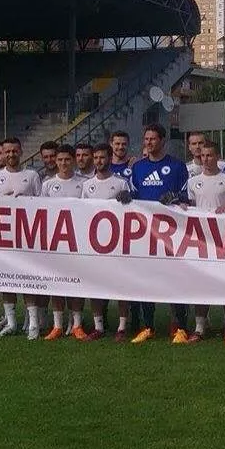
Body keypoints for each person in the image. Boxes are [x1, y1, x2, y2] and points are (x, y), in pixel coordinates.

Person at [125, 124, 190, 345]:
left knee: (175, 279)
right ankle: (148, 326)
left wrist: (175, 197)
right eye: (146, 139)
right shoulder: (138, 168)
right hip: (145, 233)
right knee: (146, 279)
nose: (149, 143)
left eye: (153, 139)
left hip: (172, 233)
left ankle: (180, 327)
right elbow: (133, 195)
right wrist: (125, 198)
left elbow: (186, 196)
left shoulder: (177, 166)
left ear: (163, 140)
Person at [182, 141, 225, 344]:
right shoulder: (193, 182)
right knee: (201, 284)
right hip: (201, 241)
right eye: (202, 156)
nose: (205, 159)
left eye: (209, 155)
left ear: (217, 157)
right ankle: (199, 328)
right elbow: (189, 208)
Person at [0, 137, 42, 338]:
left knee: (27, 278)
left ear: (21, 152)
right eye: (7, 151)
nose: (11, 155)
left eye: (14, 151)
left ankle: (33, 323)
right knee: (6, 279)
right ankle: (11, 322)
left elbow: (42, 205)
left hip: (27, 237)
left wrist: (26, 202)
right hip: (4, 237)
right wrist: (2, 201)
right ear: (2, 153)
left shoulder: (32, 175)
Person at [80, 143, 132, 341]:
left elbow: (131, 209)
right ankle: (98, 327)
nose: (98, 161)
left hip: (117, 242)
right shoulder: (87, 185)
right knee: (95, 286)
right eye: (96, 158)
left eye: (102, 157)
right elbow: (80, 211)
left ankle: (121, 327)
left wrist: (128, 199)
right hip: (94, 243)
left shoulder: (121, 183)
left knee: (120, 285)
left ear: (110, 158)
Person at [39, 145, 88, 341]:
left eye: (67, 159)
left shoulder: (83, 183)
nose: (63, 163)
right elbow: (39, 211)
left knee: (76, 283)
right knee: (56, 283)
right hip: (55, 241)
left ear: (73, 161)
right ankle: (58, 325)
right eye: (60, 160)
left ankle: (77, 325)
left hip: (77, 241)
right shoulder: (47, 184)